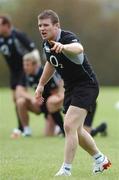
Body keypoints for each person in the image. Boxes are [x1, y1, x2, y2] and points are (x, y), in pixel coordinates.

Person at [35, 10, 111, 176]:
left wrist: (64, 47)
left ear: (57, 26)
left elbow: (79, 48)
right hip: (70, 87)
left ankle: (66, 170)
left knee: (69, 125)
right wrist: (41, 85)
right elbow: (50, 63)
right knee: (76, 130)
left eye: (46, 25)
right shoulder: (47, 44)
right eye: (40, 25)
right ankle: (101, 159)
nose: (42, 28)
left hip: (86, 85)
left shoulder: (67, 38)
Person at [0, 15, 36, 134]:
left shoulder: (18, 35)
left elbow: (33, 50)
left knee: (19, 96)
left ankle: (23, 128)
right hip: (13, 72)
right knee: (15, 99)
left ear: (6, 25)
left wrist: (35, 69)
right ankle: (22, 125)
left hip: (23, 70)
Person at [16, 50, 65, 137]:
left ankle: (60, 127)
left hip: (50, 105)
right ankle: (26, 130)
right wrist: (32, 98)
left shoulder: (45, 72)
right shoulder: (26, 74)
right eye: (24, 64)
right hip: (39, 104)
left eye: (27, 65)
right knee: (20, 101)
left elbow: (56, 92)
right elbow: (19, 91)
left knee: (48, 135)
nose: (25, 67)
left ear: (35, 65)